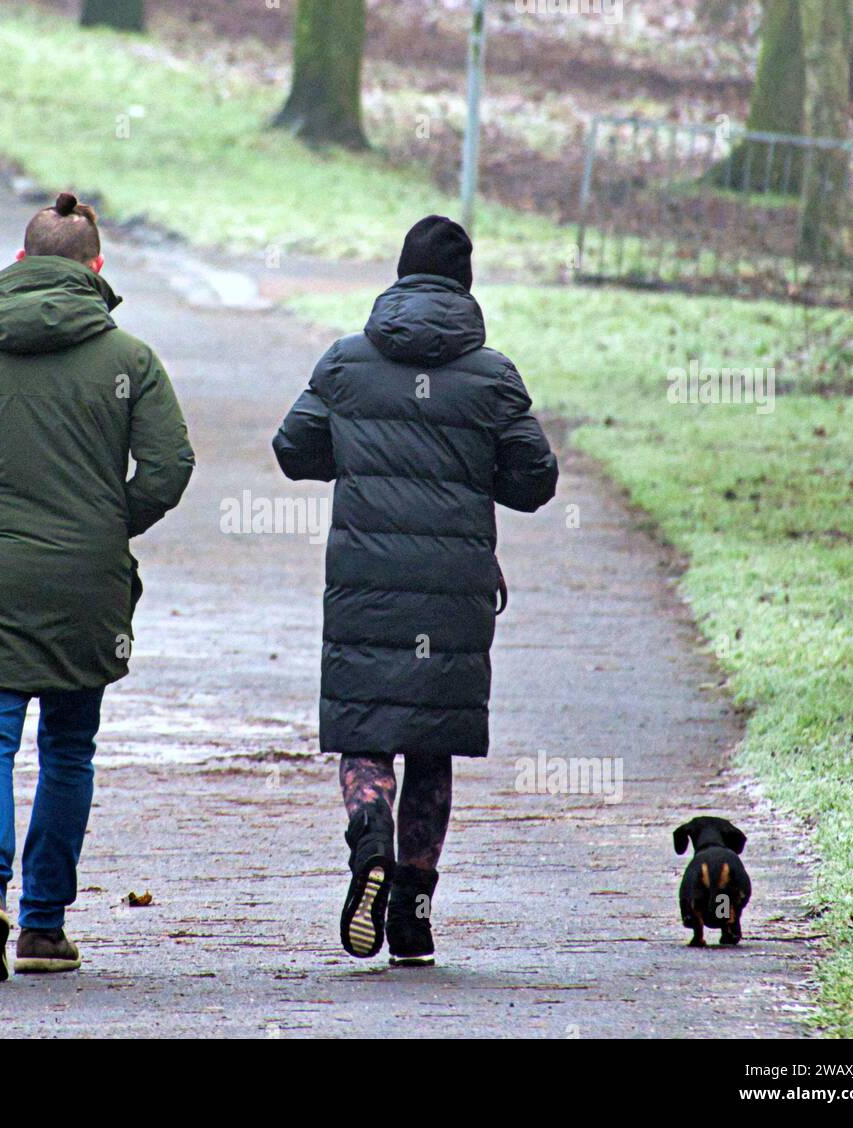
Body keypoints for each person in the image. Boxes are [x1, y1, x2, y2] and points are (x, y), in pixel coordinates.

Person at [0, 193, 194, 982]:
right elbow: (169, 468)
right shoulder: (131, 360)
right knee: (68, 746)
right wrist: (104, 523)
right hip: (87, 584)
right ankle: (44, 927)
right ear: (97, 270)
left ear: (20, 263)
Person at [273, 215, 558, 965]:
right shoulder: (492, 376)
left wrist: (360, 453)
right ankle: (413, 913)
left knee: (367, 733)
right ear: (465, 287)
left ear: (398, 279)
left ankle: (369, 845)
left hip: (366, 583)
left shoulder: (345, 362)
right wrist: (470, 475)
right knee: (433, 746)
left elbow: (293, 450)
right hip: (454, 587)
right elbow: (536, 479)